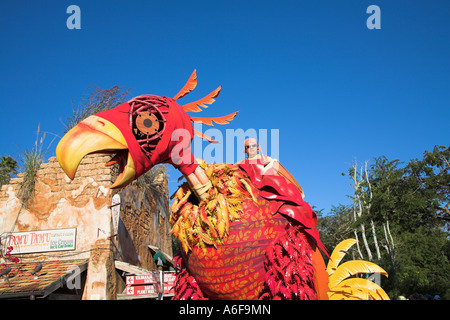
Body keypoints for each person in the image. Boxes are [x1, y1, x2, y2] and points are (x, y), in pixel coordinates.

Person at [236, 138, 305, 199]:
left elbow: (273, 165)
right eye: (248, 146)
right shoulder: (241, 162)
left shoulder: (265, 158)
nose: (251, 148)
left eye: (253, 146)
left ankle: (292, 194)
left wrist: (269, 162)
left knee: (274, 163)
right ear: (245, 150)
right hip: (252, 188)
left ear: (257, 148)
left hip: (266, 185)